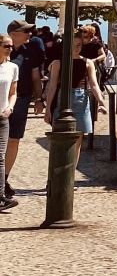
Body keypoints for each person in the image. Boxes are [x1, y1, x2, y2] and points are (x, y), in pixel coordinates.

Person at [43, 32, 105, 168]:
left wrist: (101, 102)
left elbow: (94, 85)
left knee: (77, 141)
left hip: (81, 100)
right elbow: (52, 86)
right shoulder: (58, 63)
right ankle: (55, 175)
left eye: (79, 45)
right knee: (59, 139)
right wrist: (47, 109)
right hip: (63, 99)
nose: (77, 48)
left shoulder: (87, 63)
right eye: (73, 45)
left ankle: (71, 174)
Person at [5, 20, 44, 202]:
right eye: (25, 31)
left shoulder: (31, 52)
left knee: (14, 141)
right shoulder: (3, 50)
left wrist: (39, 98)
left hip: (21, 100)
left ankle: (3, 179)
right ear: (13, 34)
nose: (30, 34)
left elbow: (35, 77)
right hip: (1, 101)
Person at [0, 37, 18, 211]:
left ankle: (0, 198)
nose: (10, 49)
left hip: (2, 118)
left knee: (0, 157)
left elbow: (13, 92)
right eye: (6, 46)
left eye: (11, 46)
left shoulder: (12, 68)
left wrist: (10, 108)